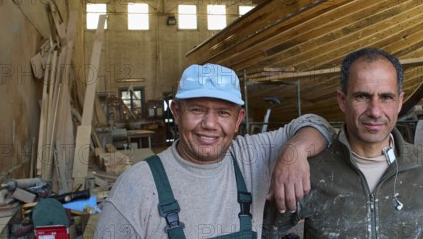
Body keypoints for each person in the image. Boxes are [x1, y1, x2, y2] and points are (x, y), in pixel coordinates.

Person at [94, 63, 334, 239]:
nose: (209, 124)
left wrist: (294, 152)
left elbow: (320, 125)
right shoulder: (137, 186)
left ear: (238, 118)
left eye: (223, 113)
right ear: (177, 113)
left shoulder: (249, 156)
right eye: (197, 110)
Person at [263, 48, 423, 238]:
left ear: (400, 102)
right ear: (343, 100)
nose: (375, 111)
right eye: (362, 96)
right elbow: (264, 232)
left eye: (386, 97)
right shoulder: (308, 171)